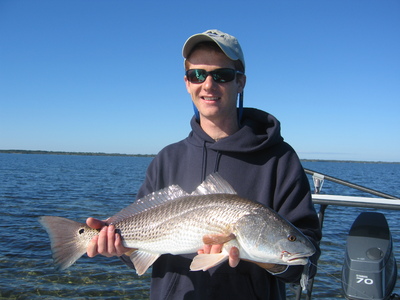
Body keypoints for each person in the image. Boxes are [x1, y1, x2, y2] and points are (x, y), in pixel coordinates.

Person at [86, 29, 322, 299]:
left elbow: (306, 261)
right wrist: (117, 245)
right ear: (187, 83)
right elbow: (140, 251)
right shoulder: (167, 159)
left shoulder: (280, 159)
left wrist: (259, 257)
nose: (208, 85)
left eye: (222, 75)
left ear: (241, 82)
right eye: (197, 75)